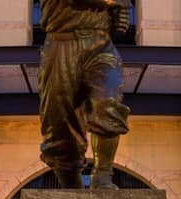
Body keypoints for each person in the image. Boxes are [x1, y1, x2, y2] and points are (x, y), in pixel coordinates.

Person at [37, 0, 132, 188]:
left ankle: (103, 175)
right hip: (61, 41)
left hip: (100, 44)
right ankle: (70, 184)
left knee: (108, 102)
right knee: (58, 122)